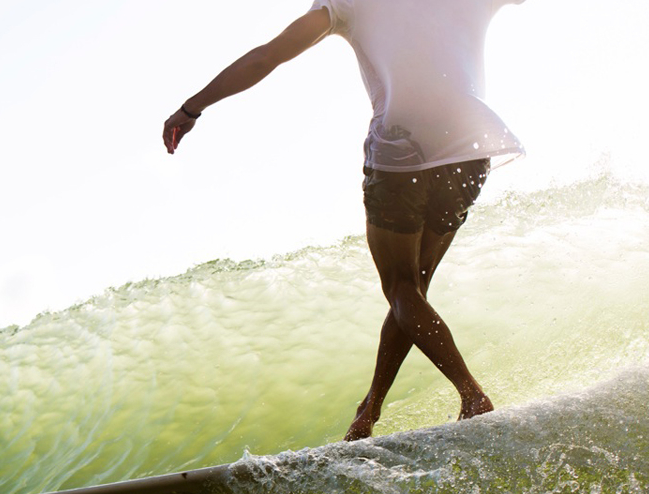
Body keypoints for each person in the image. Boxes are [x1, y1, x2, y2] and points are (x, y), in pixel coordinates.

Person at [163, 0, 525, 441]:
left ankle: (471, 395)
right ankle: (369, 410)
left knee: (402, 288)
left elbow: (266, 57)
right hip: (469, 143)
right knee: (413, 290)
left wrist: (192, 108)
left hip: (403, 141)